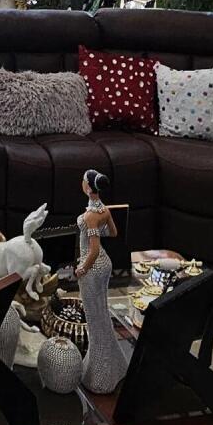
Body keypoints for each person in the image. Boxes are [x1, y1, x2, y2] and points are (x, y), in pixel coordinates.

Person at [76, 168, 130, 392]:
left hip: (94, 267)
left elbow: (95, 249)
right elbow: (114, 233)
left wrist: (82, 268)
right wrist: (97, 232)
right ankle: (113, 365)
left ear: (88, 187)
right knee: (101, 313)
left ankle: (101, 374)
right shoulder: (103, 210)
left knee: (94, 317)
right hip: (105, 265)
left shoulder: (90, 216)